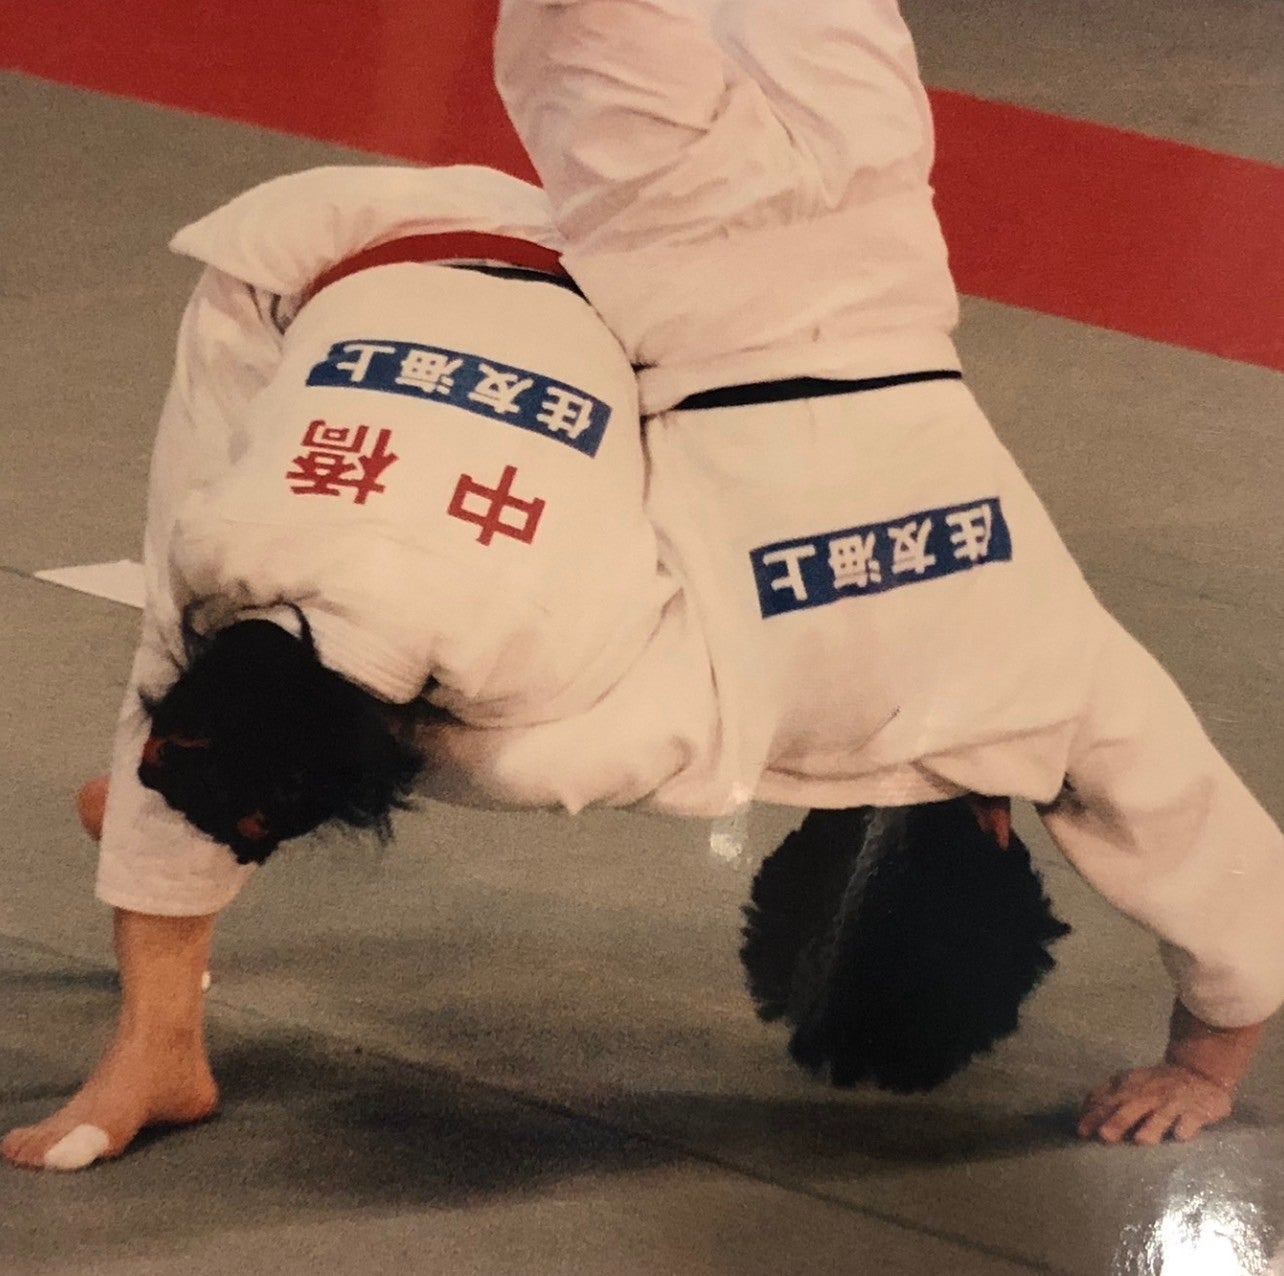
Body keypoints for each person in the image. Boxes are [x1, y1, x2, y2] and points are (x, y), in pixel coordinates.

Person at [4, 0, 1281, 1171]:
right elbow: (461, 728)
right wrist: (218, 788)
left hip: (880, 210)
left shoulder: (1039, 668)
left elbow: (1208, 852)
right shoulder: (715, 723)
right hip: (673, 243)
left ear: (1000, 835)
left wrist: (1211, 1051)